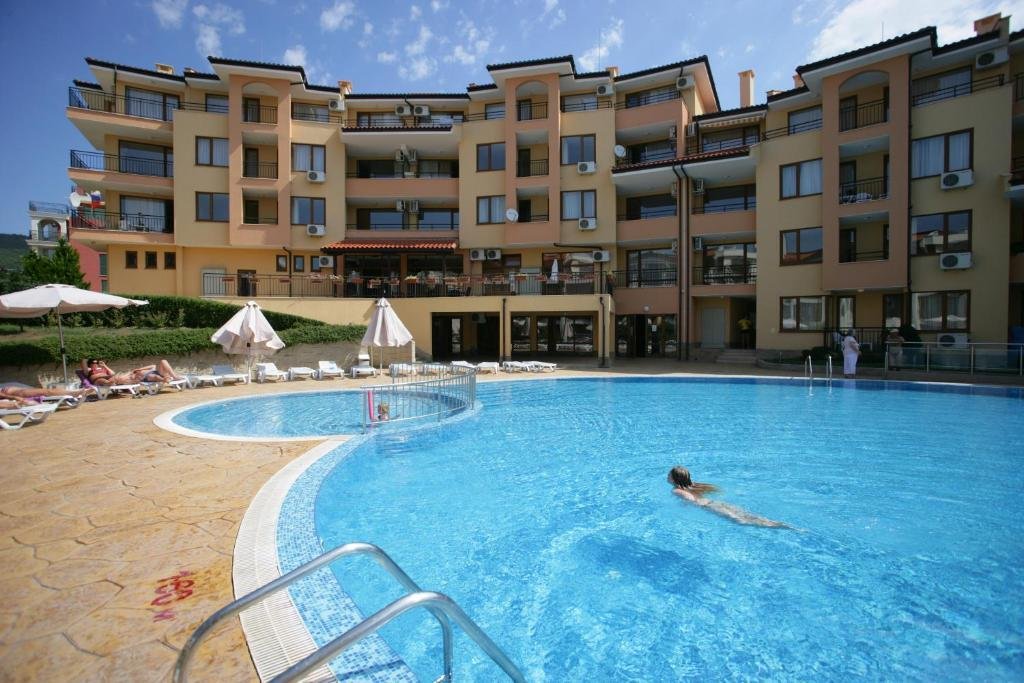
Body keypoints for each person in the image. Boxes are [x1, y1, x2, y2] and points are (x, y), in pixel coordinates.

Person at [668, 466, 788, 528]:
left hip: (709, 507)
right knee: (749, 516)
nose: (667, 477)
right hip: (716, 503)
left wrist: (685, 506)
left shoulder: (676, 490)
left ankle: (779, 527)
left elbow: (690, 500)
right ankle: (779, 524)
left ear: (674, 479)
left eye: (669, 475)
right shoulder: (693, 485)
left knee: (742, 521)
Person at [83, 358, 183, 385]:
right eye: (93, 363)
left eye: (96, 362)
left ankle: (172, 377)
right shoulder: (89, 369)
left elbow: (112, 373)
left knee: (163, 361)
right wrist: (85, 360)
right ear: (90, 364)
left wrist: (104, 365)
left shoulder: (103, 368)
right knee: (103, 380)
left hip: (109, 377)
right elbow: (83, 364)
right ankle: (109, 383)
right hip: (98, 379)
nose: (95, 364)